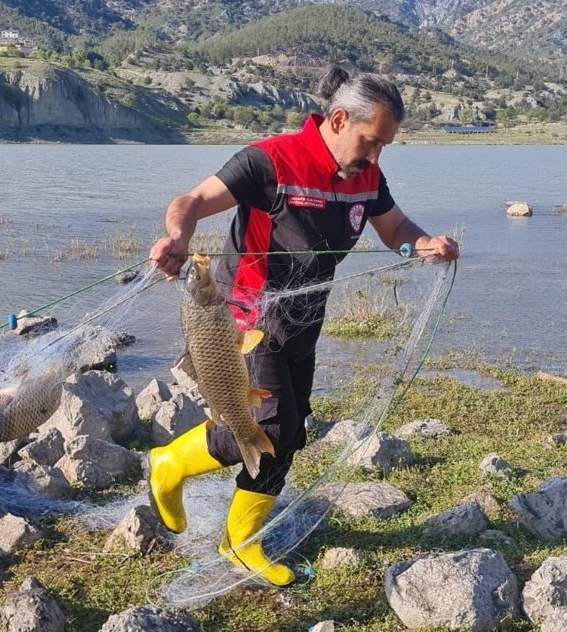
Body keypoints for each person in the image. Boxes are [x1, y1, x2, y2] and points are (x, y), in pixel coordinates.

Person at [147, 66, 460, 587]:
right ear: (338, 119)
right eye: (371, 141)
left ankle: (237, 541)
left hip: (303, 323)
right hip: (239, 322)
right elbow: (192, 202)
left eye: (384, 146)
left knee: (289, 433)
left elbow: (396, 229)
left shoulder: (366, 178)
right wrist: (178, 238)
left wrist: (424, 244)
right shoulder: (269, 161)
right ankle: (171, 467)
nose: (376, 155)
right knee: (268, 429)